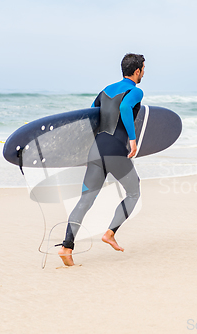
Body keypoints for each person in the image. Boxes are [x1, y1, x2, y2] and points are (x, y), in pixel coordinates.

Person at [58, 53, 145, 266]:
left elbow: (92, 116)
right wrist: (132, 141)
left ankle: (66, 247)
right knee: (134, 192)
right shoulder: (136, 91)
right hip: (115, 151)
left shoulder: (104, 91)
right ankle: (110, 233)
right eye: (143, 69)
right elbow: (125, 108)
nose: (144, 72)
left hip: (96, 151)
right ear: (137, 71)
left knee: (85, 200)